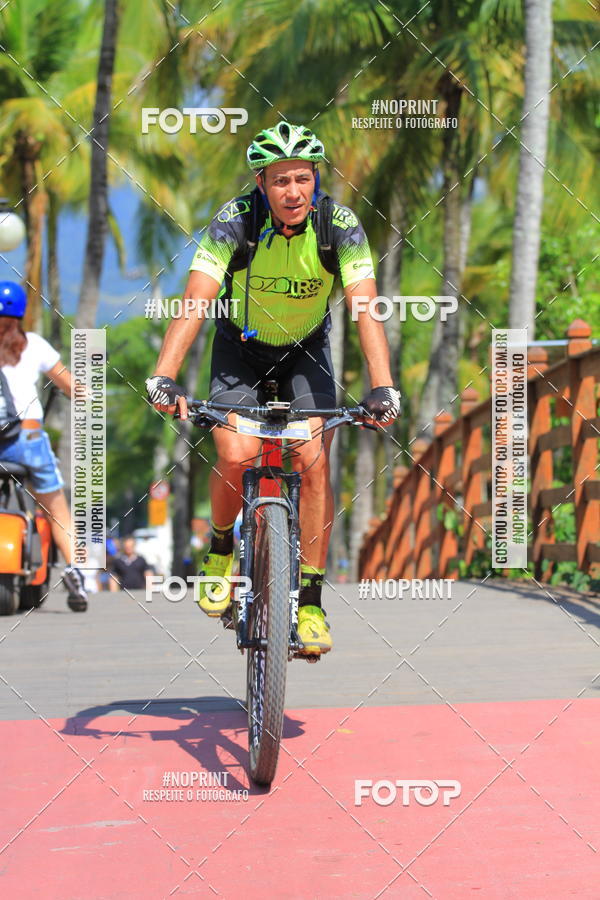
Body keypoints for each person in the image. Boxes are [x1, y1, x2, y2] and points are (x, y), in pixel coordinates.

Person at [146, 123, 400, 655]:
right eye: (281, 180)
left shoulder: (340, 226)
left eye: (303, 179)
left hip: (306, 351)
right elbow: (196, 300)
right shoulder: (232, 223)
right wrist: (164, 374)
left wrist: (384, 387)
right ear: (261, 184)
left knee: (311, 459)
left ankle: (309, 602)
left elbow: (366, 309)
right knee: (235, 452)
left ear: (315, 180)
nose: (293, 192)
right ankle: (219, 548)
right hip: (240, 348)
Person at [0, 281, 88, 611]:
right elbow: (71, 386)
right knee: (57, 509)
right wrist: (81, 393)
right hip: (27, 440)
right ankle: (76, 572)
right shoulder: (33, 345)